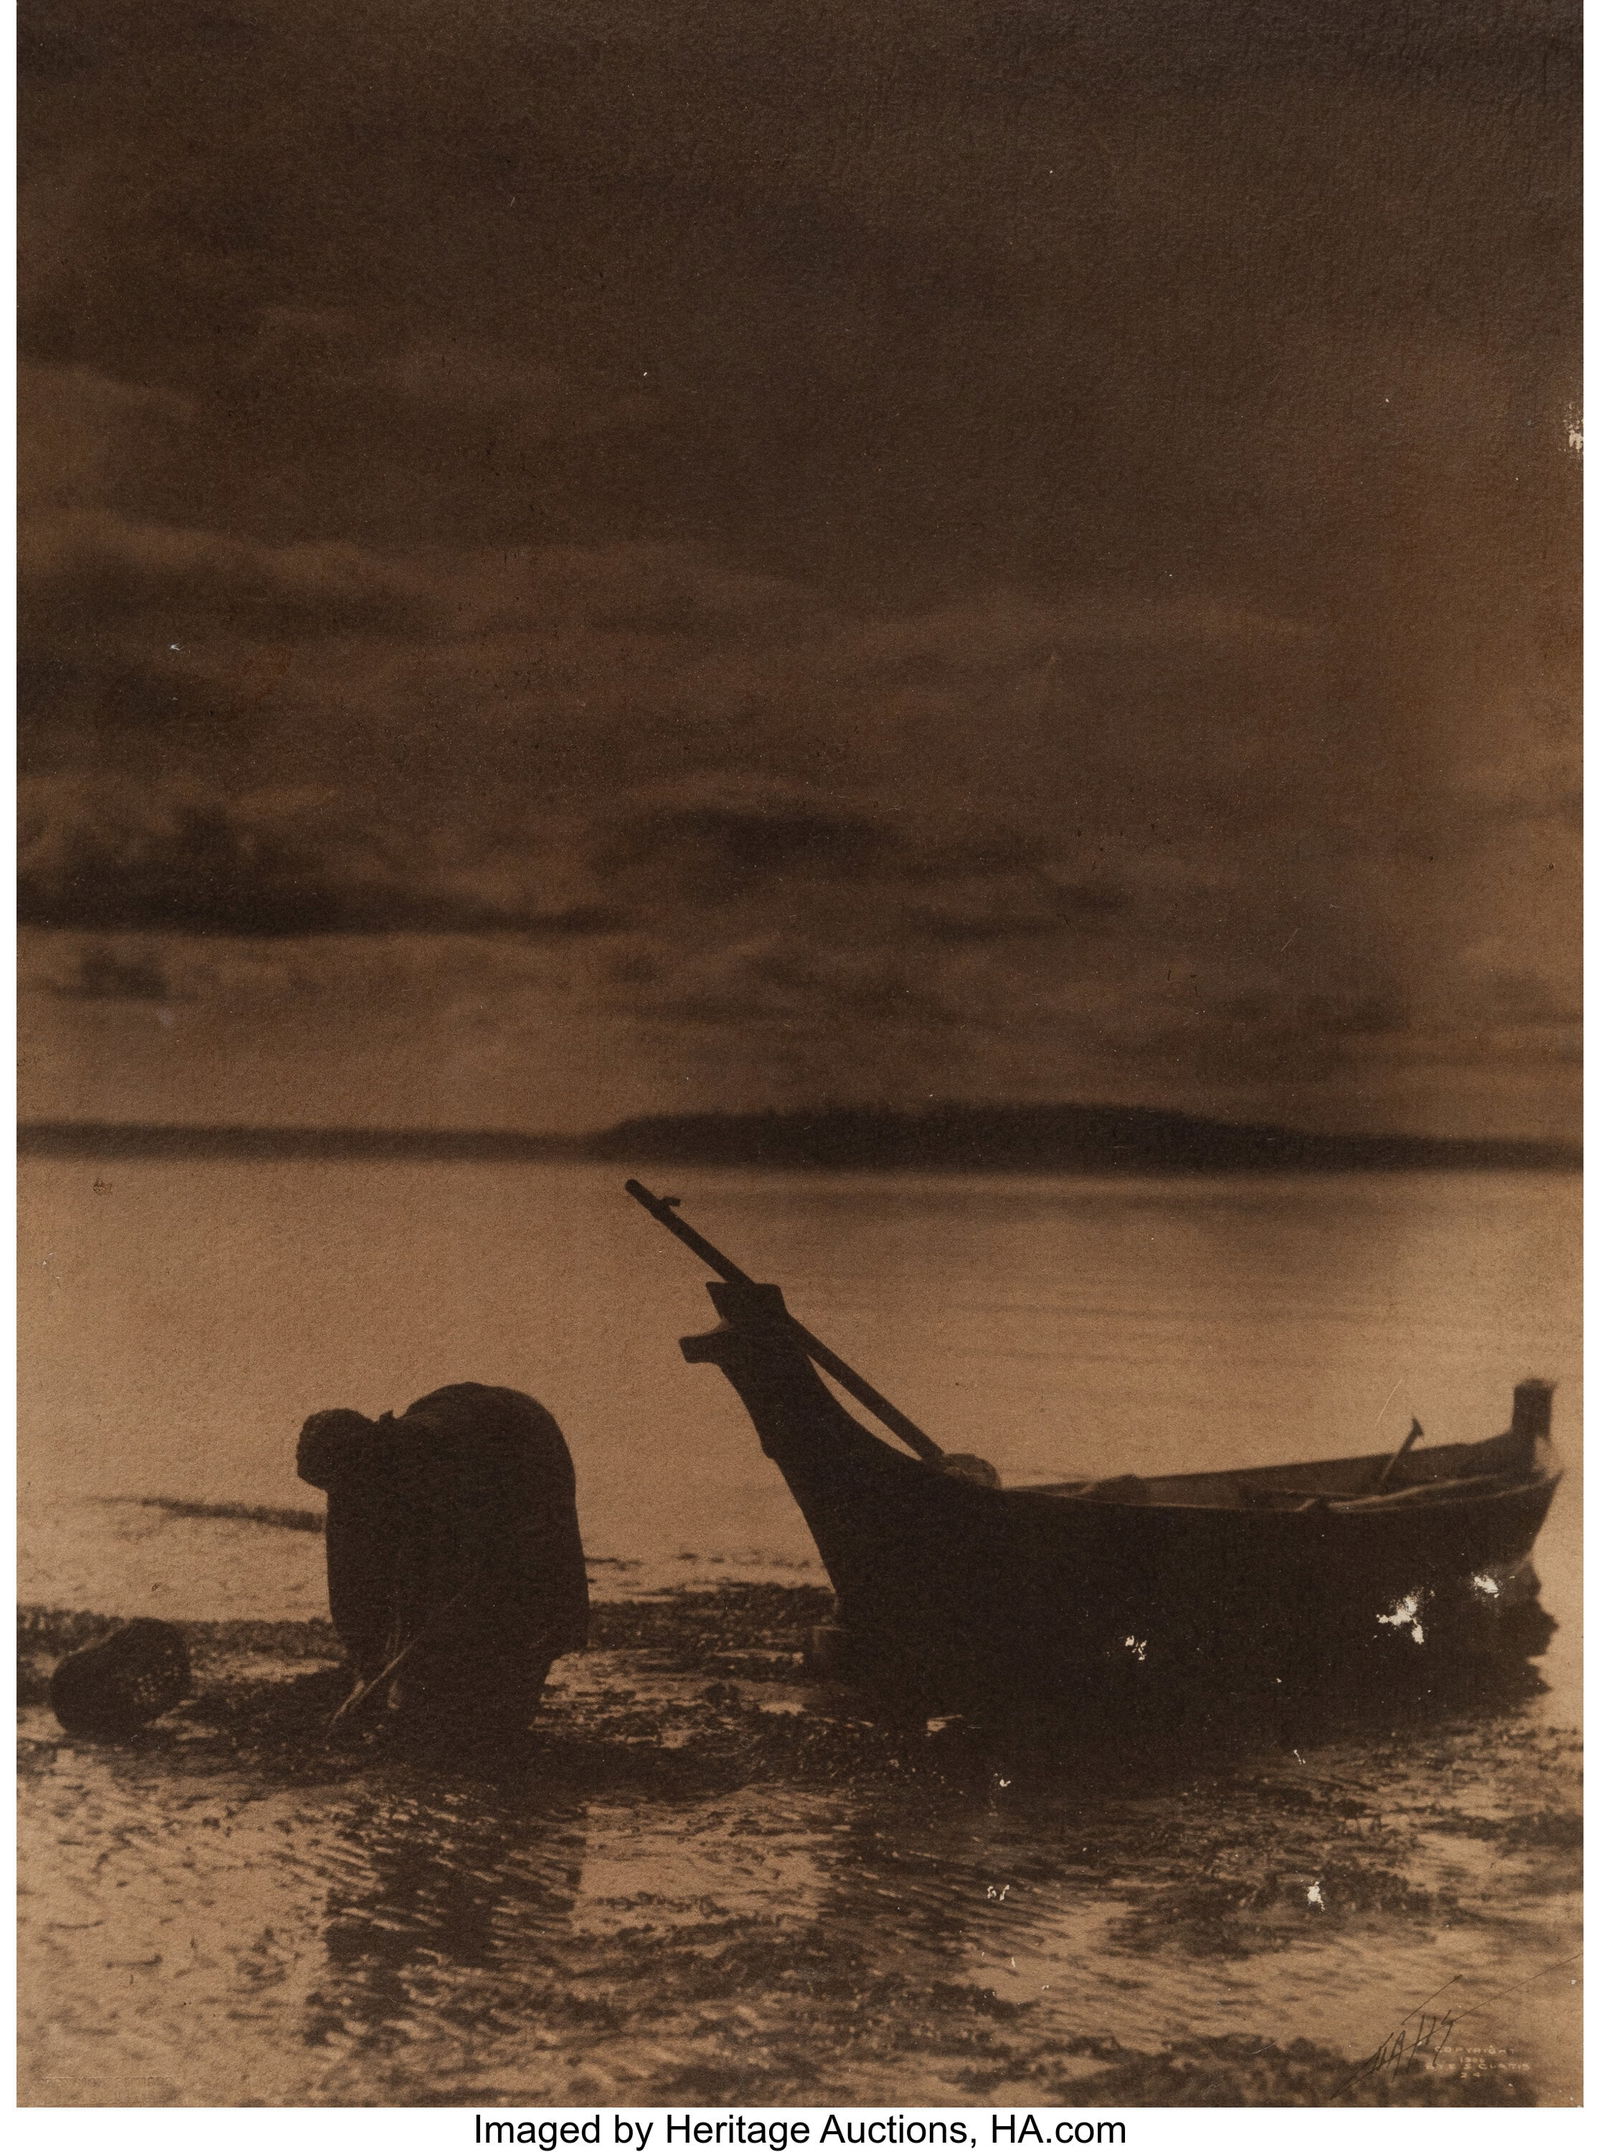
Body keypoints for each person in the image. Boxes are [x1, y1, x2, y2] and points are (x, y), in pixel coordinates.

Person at [297, 1383, 588, 1737]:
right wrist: (366, 1670)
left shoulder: (439, 1462)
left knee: (516, 1600)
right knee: (429, 1659)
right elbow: (350, 1581)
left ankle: (507, 1712)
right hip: (458, 1429)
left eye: (349, 1486)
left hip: (521, 1446)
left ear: (371, 1458)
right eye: (334, 1489)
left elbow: (475, 1568)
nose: (344, 1497)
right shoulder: (350, 1480)